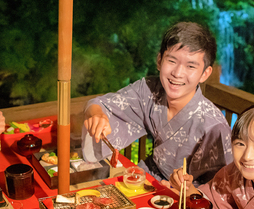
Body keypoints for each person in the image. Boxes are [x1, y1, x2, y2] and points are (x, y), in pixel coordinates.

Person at [82, 21, 232, 185]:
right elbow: (100, 104)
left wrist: (186, 190)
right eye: (172, 61)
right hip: (147, 180)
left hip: (184, 200)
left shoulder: (214, 126)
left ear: (205, 74)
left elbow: (221, 190)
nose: (178, 73)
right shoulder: (150, 89)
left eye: (190, 66)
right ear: (159, 60)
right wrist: (97, 115)